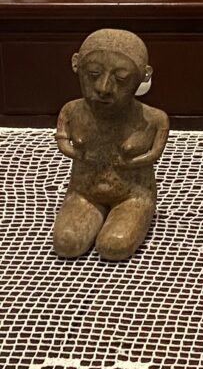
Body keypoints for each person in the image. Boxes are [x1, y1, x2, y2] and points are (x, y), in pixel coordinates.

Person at [53, 28, 169, 261]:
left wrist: (132, 161)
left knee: (113, 247)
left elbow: (155, 153)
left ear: (144, 76)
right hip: (83, 193)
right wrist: (75, 152)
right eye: (93, 73)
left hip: (133, 196)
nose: (104, 88)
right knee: (67, 243)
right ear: (76, 65)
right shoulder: (72, 111)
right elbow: (63, 142)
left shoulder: (154, 120)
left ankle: (128, 215)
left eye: (121, 79)